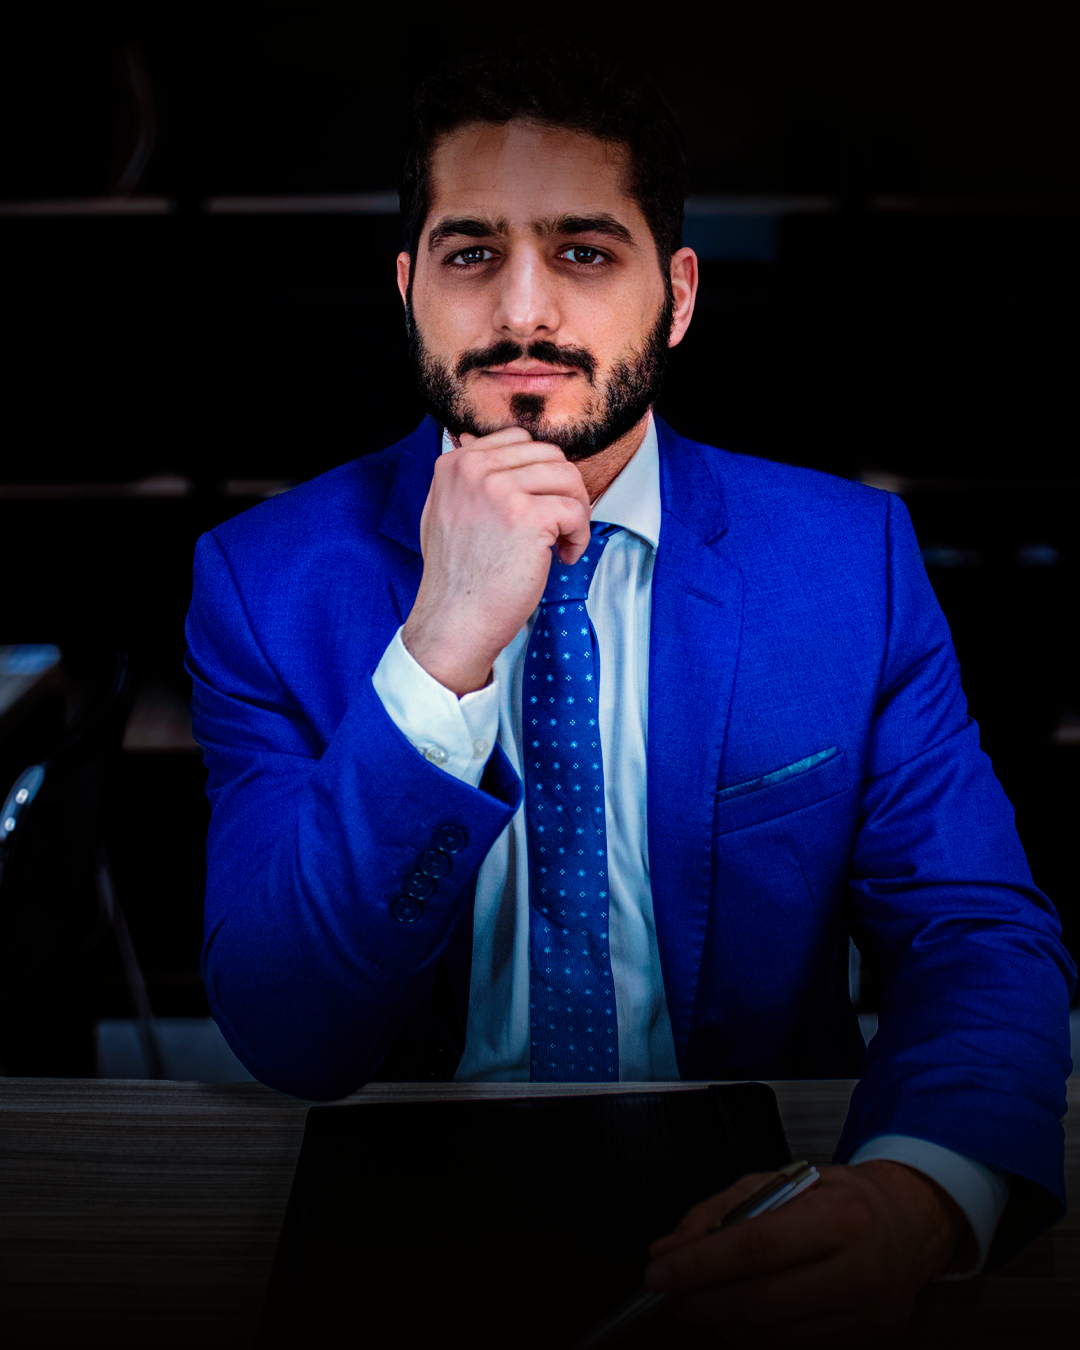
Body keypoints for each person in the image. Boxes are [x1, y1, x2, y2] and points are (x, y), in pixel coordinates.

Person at [185, 39, 1075, 1345]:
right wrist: (439, 649)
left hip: (757, 1189)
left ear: (679, 295)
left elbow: (977, 937)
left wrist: (915, 1202)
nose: (524, 311)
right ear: (407, 286)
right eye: (472, 251)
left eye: (586, 251)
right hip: (404, 1216)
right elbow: (286, 1029)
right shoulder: (262, 582)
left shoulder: (846, 563)